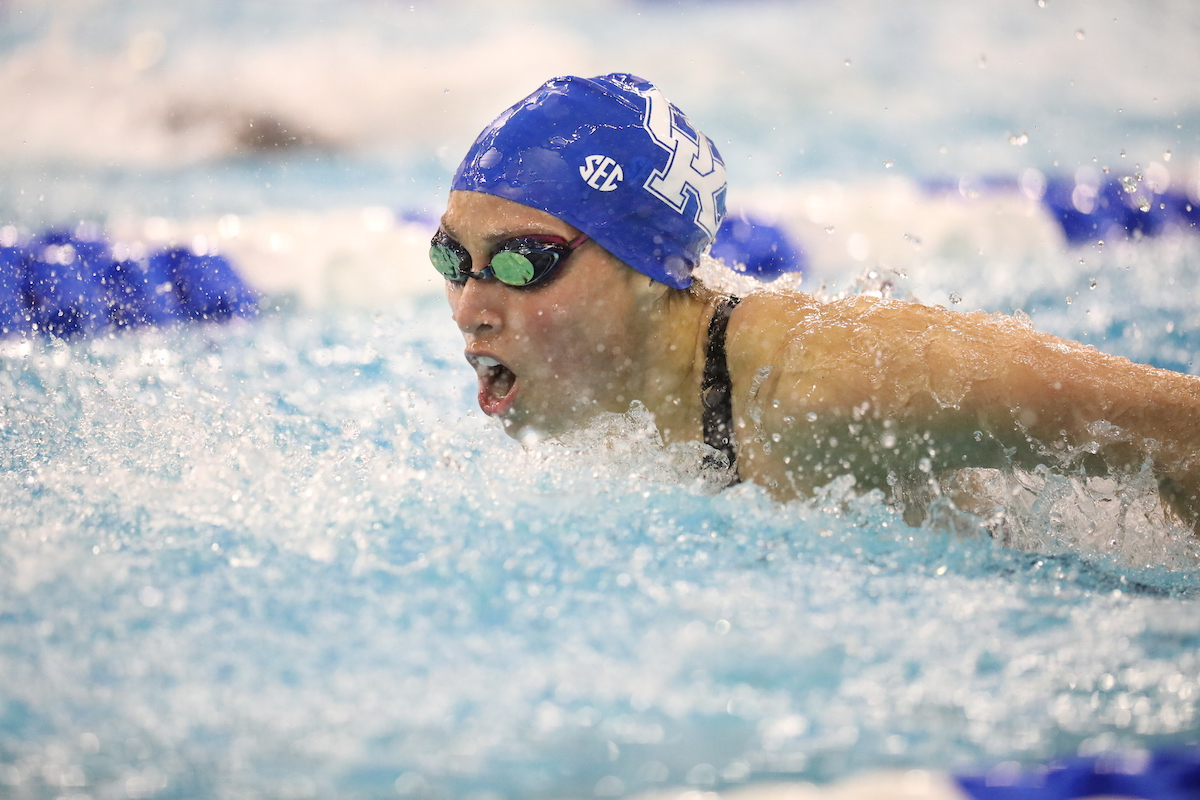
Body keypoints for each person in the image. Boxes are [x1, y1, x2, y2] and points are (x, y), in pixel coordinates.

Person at [431, 73, 1200, 529]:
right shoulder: (605, 401)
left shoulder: (835, 379)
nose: (470, 308)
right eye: (452, 258)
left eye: (521, 263)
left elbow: (1178, 423)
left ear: (646, 269)